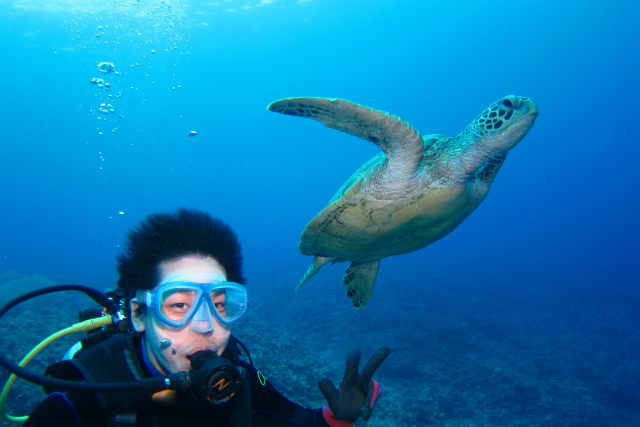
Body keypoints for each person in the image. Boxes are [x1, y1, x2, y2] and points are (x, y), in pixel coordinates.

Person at [24, 208, 390, 427]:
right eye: (179, 305)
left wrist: (335, 417)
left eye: (220, 305)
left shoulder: (236, 378)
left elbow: (296, 421)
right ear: (138, 314)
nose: (205, 326)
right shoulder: (79, 404)